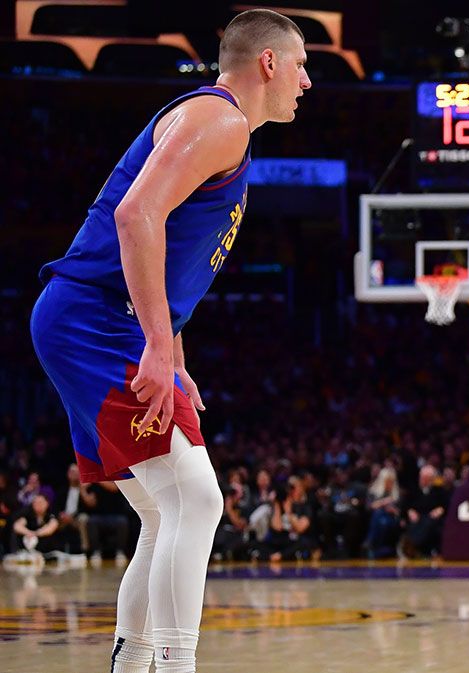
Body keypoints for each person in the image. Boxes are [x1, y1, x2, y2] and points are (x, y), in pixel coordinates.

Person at [26, 10, 310, 673]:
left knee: (163, 511)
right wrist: (156, 343)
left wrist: (172, 352)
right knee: (197, 499)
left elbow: (165, 255)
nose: (304, 81)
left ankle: (134, 663)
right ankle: (174, 666)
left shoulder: (219, 126)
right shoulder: (221, 120)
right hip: (97, 319)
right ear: (267, 62)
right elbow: (136, 215)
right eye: (299, 65)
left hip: (96, 318)